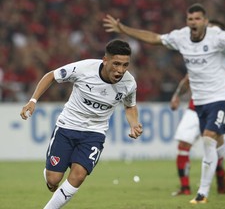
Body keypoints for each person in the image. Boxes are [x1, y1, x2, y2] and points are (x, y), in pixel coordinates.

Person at [102, 3, 225, 204]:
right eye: (190, 19)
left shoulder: (217, 37)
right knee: (216, 147)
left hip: (220, 97)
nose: (193, 22)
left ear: (206, 21)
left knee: (208, 140)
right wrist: (123, 30)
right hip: (199, 101)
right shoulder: (181, 36)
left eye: (197, 19)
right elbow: (154, 38)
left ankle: (202, 194)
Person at [20, 39, 143, 209]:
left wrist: (134, 123)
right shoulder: (84, 69)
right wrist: (33, 100)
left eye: (125, 65)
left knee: (78, 176)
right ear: (105, 60)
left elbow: (130, 106)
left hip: (95, 133)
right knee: (53, 181)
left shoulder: (129, 84)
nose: (120, 70)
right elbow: (51, 76)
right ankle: (51, 172)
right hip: (67, 127)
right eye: (116, 64)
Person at [170, 19, 225, 196]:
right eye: (209, 29)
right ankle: (185, 188)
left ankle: (220, 173)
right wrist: (176, 96)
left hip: (216, 104)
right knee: (183, 144)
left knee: (213, 147)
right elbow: (188, 79)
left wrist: (219, 83)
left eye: (214, 30)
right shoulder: (198, 52)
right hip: (194, 106)